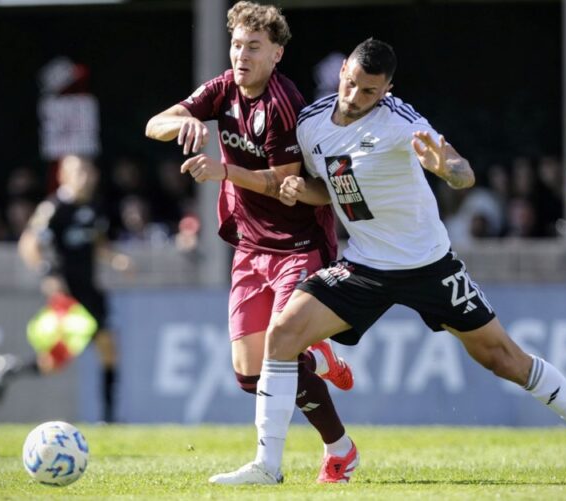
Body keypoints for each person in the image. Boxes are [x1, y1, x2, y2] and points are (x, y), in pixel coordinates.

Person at [210, 38, 566, 485]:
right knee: (282, 334)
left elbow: (463, 172)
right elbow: (333, 187)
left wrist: (444, 167)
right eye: (351, 84)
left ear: (387, 90)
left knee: (503, 359)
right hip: (364, 265)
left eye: (369, 92)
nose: (355, 97)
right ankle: (268, 466)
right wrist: (302, 191)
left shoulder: (401, 120)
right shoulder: (310, 124)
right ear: (343, 70)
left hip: (429, 266)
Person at [144, 1, 357, 483]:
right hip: (249, 247)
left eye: (253, 47)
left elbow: (282, 185)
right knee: (248, 375)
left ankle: (285, 462)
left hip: (298, 242)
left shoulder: (284, 103)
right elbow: (154, 124)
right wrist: (187, 123)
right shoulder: (222, 89)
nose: (241, 55)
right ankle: (335, 426)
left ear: (276, 54)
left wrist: (223, 171)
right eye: (237, 44)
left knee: (279, 355)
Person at [0, 155, 131, 423]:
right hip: (67, 296)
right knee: (54, 362)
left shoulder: (94, 209)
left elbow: (97, 243)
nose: (85, 177)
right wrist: (48, 273)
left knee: (109, 349)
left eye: (88, 171)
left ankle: (109, 419)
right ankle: (11, 368)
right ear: (64, 176)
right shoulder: (54, 208)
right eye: (78, 172)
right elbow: (29, 243)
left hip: (90, 291)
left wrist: (115, 259)